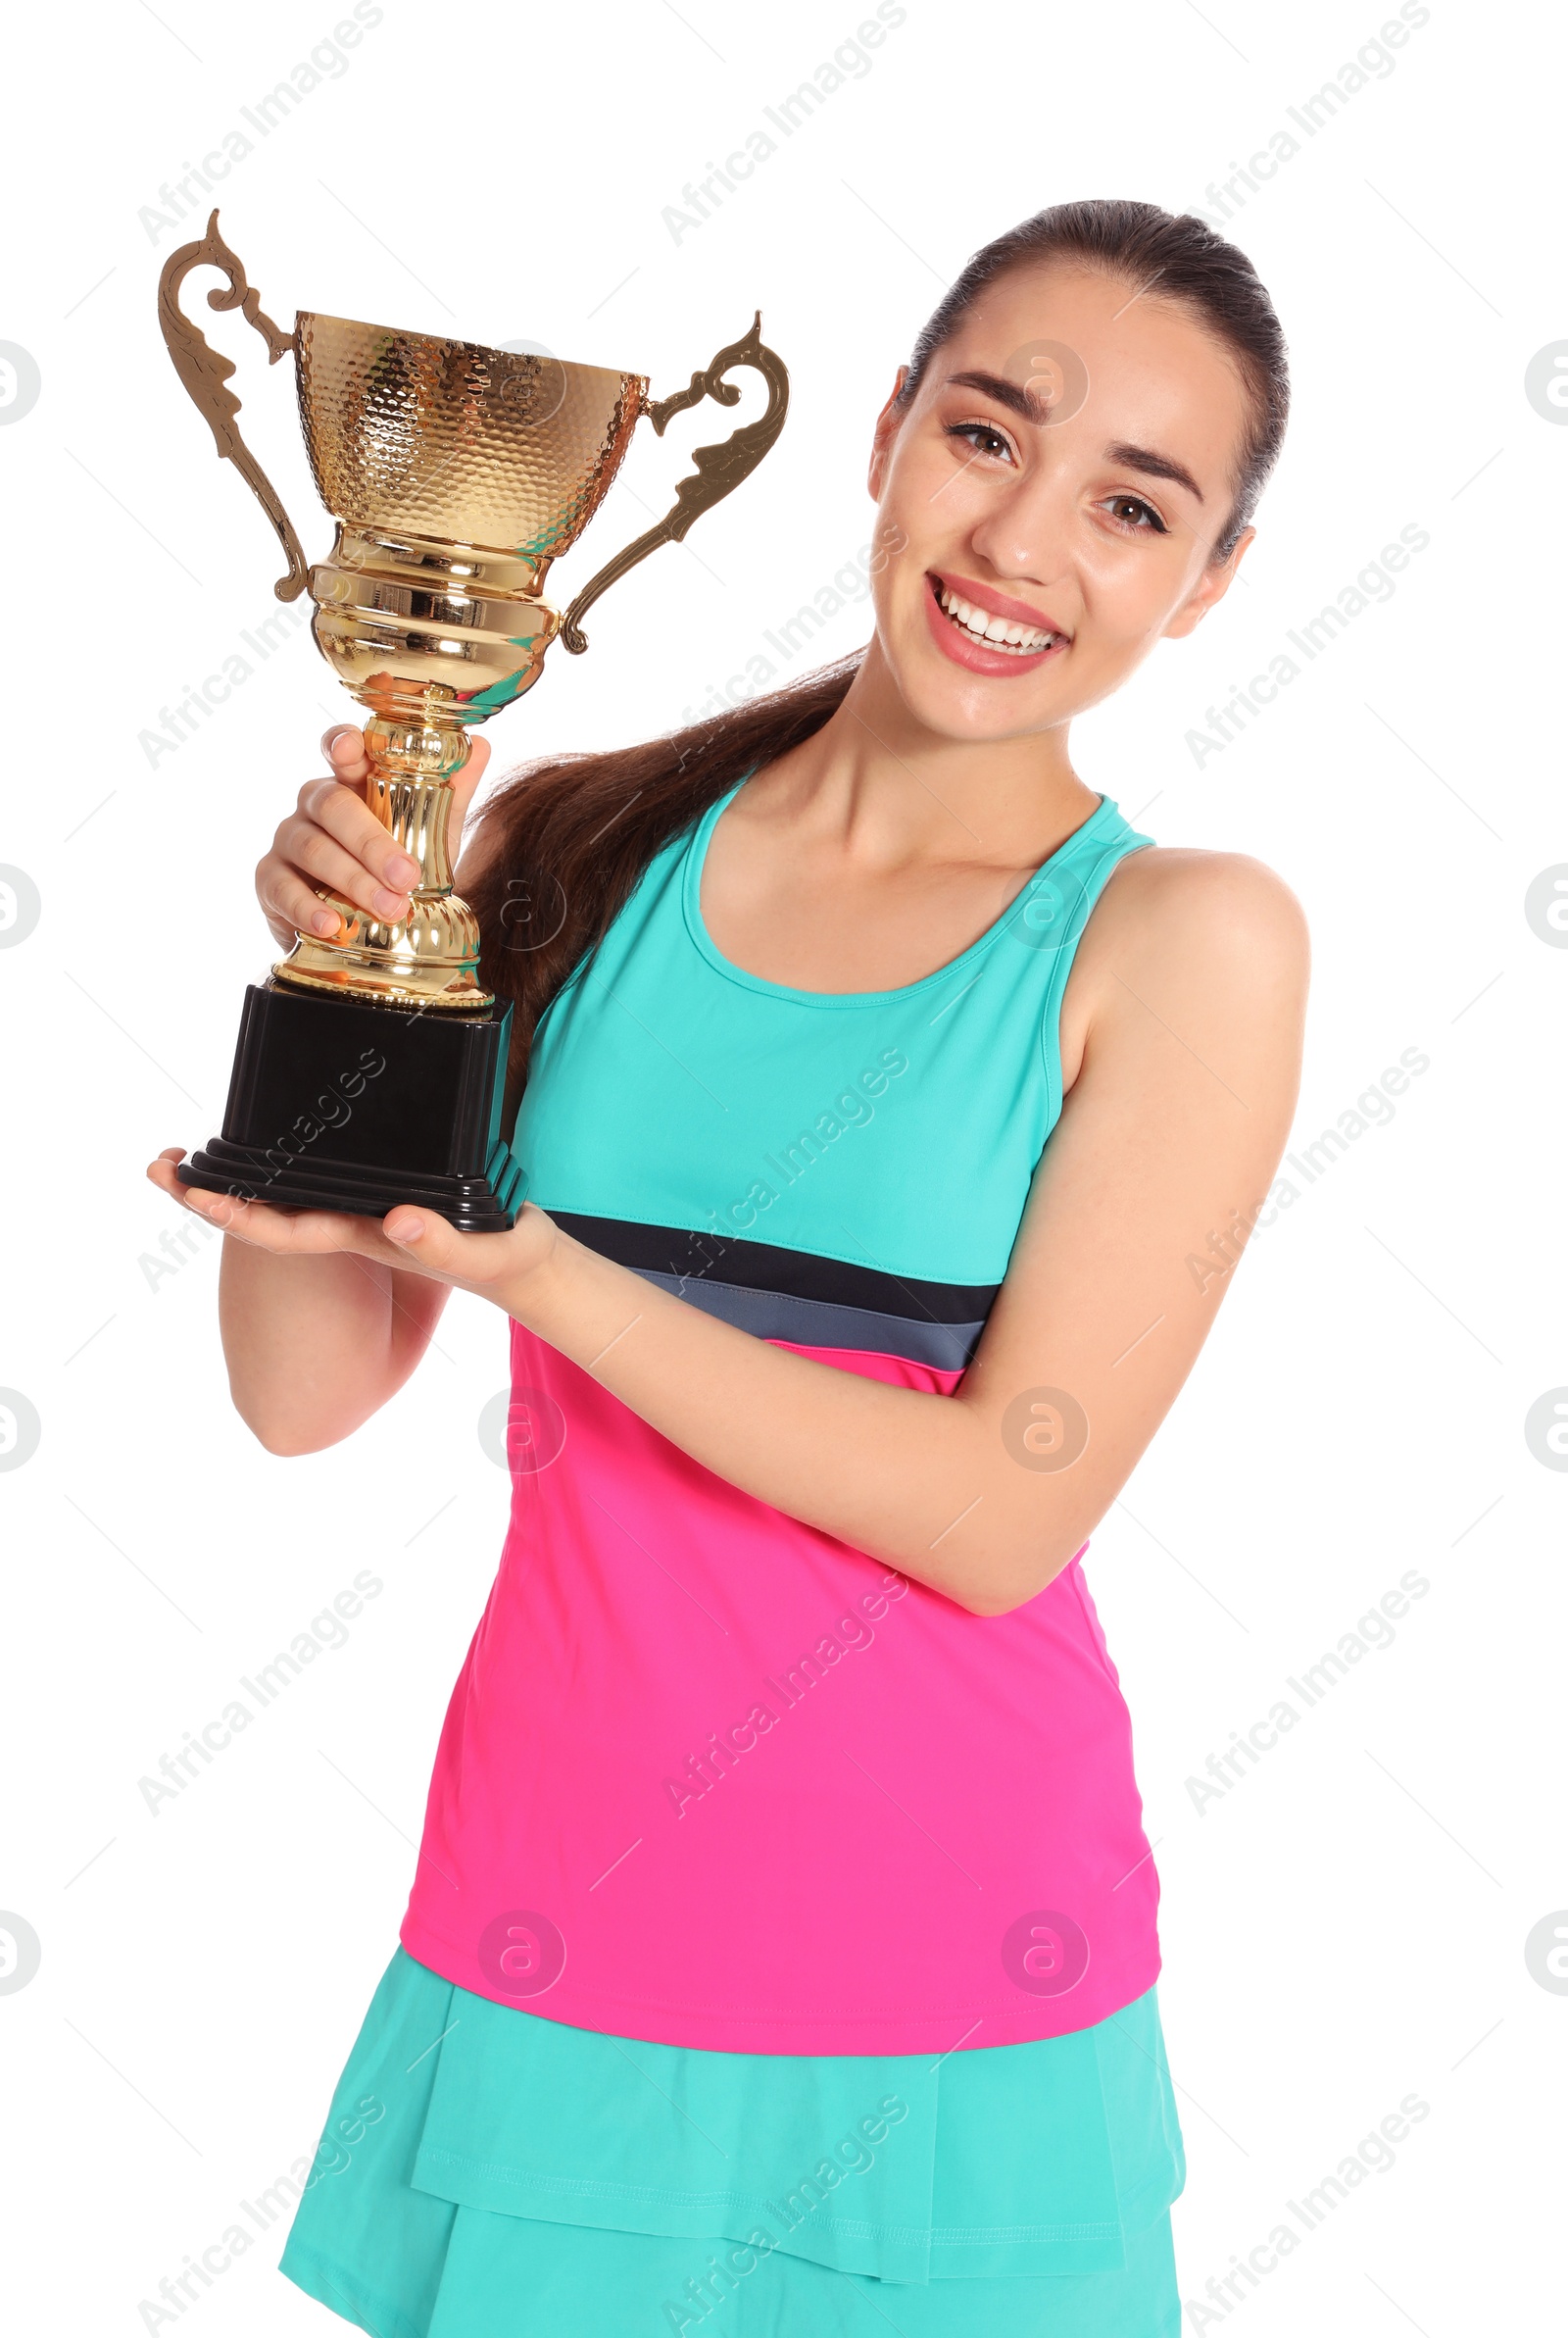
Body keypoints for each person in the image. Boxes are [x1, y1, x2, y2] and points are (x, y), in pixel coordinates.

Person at [148, 197, 1308, 2338]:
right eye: (986, 433)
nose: (1024, 540)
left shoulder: (1181, 940)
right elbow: (303, 1393)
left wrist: (545, 1270)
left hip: (951, 1977)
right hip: (549, 1931)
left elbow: (1000, 1507)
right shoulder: (565, 844)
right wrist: (336, 993)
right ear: (881, 437)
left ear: (1204, 579)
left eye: (1131, 504)